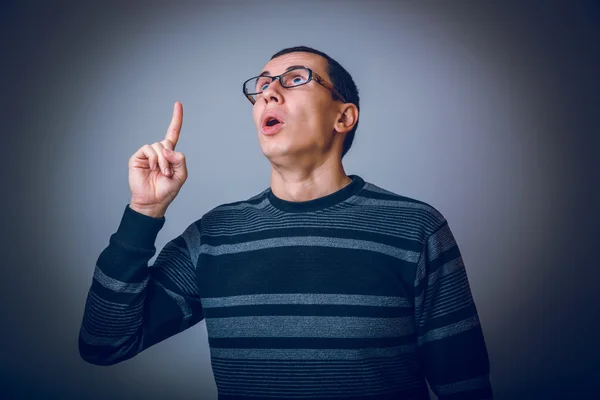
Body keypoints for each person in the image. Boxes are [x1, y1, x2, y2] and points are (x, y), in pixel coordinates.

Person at [79, 46, 493, 400]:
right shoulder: (214, 236)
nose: (268, 93)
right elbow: (104, 343)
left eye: (295, 79)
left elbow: (465, 385)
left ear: (344, 117)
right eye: (261, 86)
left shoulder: (416, 228)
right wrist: (144, 211)